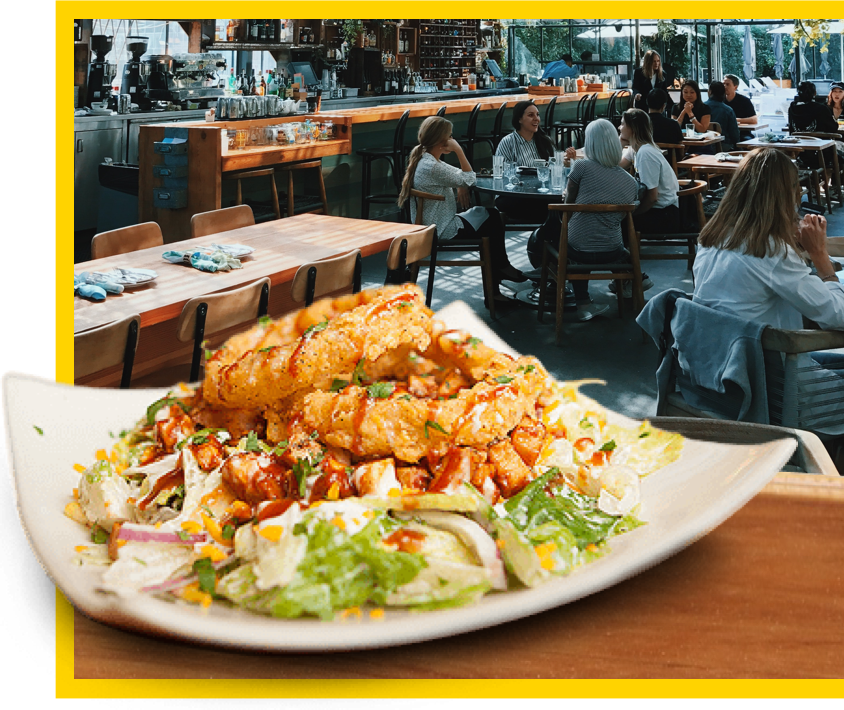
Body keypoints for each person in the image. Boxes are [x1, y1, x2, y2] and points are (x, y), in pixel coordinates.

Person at [693, 147, 844, 441]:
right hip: (771, 389)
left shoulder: (713, 237)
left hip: (715, 375)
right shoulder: (770, 251)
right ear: (785, 195)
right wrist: (821, 257)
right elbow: (837, 316)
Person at [397, 116, 526, 305]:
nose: (453, 139)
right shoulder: (433, 167)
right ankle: (500, 275)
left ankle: (499, 278)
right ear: (443, 141)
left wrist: (460, 184)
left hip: (434, 223)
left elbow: (459, 176)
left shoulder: (424, 159)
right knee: (492, 219)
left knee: (489, 217)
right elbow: (469, 179)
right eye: (450, 137)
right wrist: (459, 150)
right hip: (441, 228)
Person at [559, 119, 639, 321]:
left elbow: (568, 207)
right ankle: (634, 285)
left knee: (560, 234)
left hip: (578, 249)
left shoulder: (581, 167)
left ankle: (578, 300)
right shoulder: (631, 183)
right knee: (591, 233)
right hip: (613, 250)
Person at [494, 100, 562, 268]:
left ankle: (549, 262)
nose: (536, 119)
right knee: (556, 212)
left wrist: (564, 161)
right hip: (513, 196)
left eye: (537, 115)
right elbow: (500, 175)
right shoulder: (508, 142)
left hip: (539, 196)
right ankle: (546, 262)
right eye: (530, 115)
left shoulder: (543, 141)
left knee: (560, 209)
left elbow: (553, 168)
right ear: (519, 119)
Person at [619, 108, 681, 236]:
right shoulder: (635, 149)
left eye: (623, 124)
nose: (619, 128)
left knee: (614, 222)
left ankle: (630, 255)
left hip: (664, 215)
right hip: (659, 211)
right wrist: (619, 143)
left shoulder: (645, 153)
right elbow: (616, 167)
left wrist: (633, 214)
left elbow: (652, 197)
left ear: (633, 128)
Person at [704, 81, 741, 151]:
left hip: (704, 146)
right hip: (724, 146)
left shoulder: (701, 107)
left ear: (710, 92)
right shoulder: (728, 110)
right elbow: (735, 135)